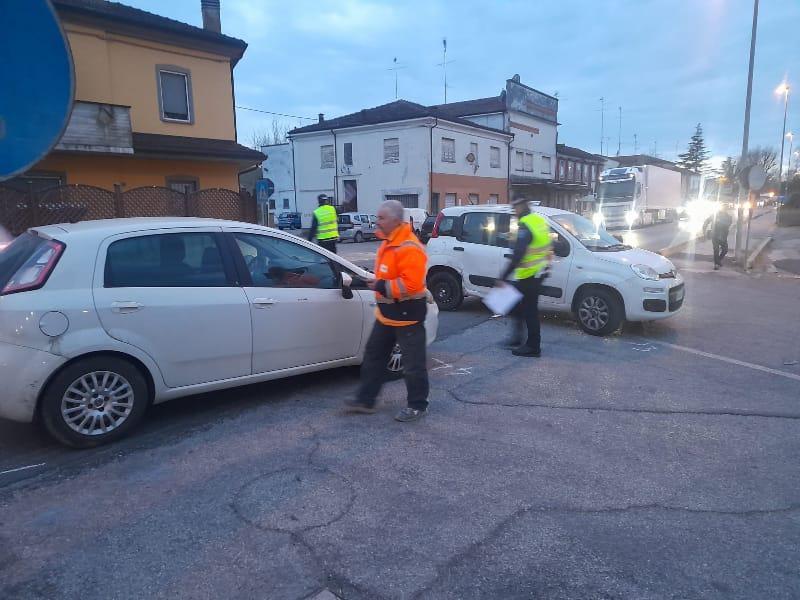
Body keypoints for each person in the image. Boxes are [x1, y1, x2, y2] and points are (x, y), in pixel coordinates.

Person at [345, 200, 430, 422]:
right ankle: (366, 400)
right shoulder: (388, 242)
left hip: (408, 315)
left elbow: (411, 284)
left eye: (381, 218)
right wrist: (369, 280)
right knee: (374, 356)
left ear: (395, 220)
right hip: (387, 314)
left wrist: (381, 286)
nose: (377, 221)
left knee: (413, 365)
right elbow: (387, 274)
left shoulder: (409, 247)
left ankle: (417, 405)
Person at [498, 196, 553, 357]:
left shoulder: (525, 225)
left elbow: (518, 255)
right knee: (518, 305)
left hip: (529, 275)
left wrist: (503, 277)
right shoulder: (539, 220)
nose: (514, 212)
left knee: (527, 310)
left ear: (521, 207)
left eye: (514, 208)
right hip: (539, 273)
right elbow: (548, 245)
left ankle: (533, 346)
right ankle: (518, 338)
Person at [707, 206, 733, 270]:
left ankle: (718, 261)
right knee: (716, 250)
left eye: (724, 209)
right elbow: (707, 221)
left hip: (723, 236)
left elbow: (728, 224)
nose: (723, 210)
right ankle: (716, 264)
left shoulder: (728, 217)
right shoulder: (715, 215)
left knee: (725, 250)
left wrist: (719, 221)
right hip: (715, 235)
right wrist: (704, 229)